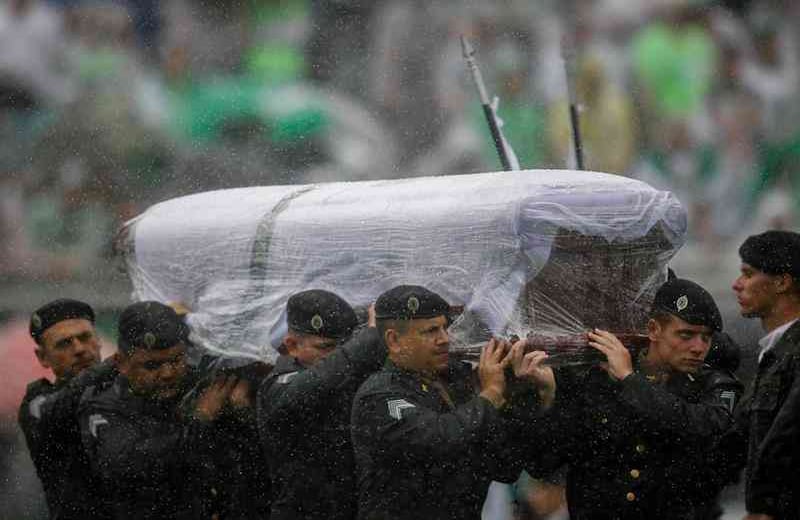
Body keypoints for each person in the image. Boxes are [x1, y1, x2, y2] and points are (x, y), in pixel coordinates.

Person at [532, 278, 742, 519]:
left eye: (706, 337)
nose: (698, 347)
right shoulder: (597, 380)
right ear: (654, 330)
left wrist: (630, 380)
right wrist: (549, 398)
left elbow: (705, 426)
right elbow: (543, 462)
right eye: (686, 335)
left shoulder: (714, 384)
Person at [350, 285, 546, 520]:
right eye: (430, 331)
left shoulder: (455, 385)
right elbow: (440, 437)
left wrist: (520, 395)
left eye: (445, 328)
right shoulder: (380, 394)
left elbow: (504, 467)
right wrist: (492, 392)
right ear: (394, 340)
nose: (444, 339)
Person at [78, 301, 239, 519]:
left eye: (176, 360)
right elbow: (130, 463)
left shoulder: (200, 387)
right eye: (152, 366)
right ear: (121, 363)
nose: (167, 373)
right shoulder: (104, 405)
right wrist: (200, 420)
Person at [257, 289, 383, 520]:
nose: (334, 354)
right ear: (292, 346)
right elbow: (313, 385)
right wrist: (371, 337)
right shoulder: (280, 385)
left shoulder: (343, 374)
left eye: (343, 345)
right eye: (325, 347)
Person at [18, 298, 116, 520]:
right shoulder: (38, 402)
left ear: (98, 339)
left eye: (85, 337)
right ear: (43, 357)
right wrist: (118, 362)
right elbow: (58, 407)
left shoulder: (125, 388)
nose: (79, 349)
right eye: (64, 343)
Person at [729, 230, 800, 520]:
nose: (737, 285)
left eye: (748, 274)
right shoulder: (776, 352)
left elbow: (788, 436)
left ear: (782, 282)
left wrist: (765, 506)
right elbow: (735, 437)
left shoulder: (794, 353)